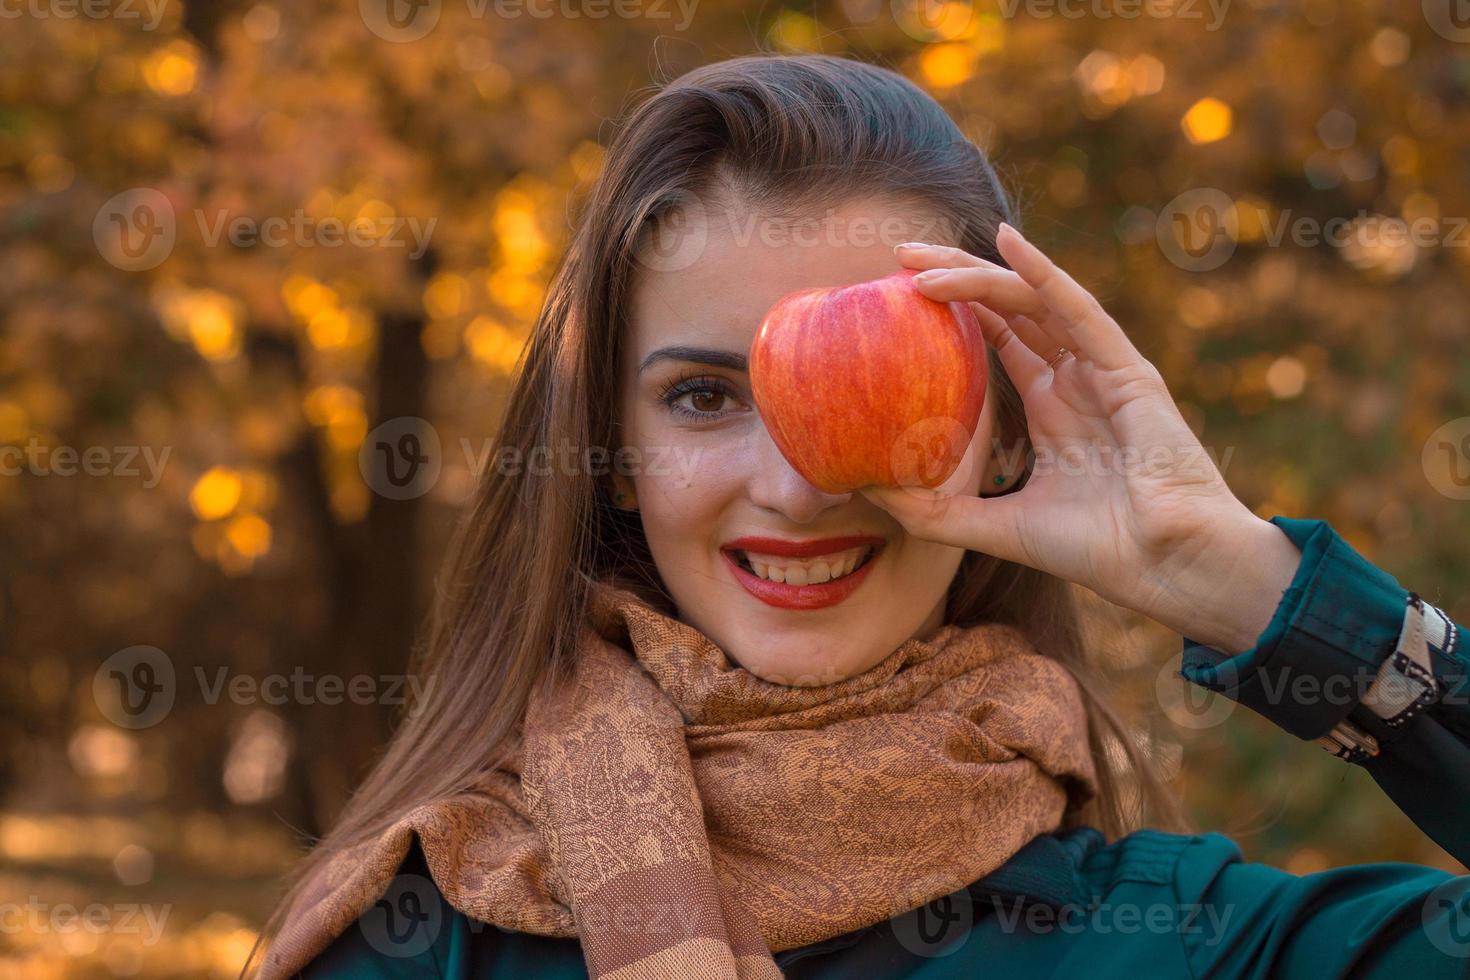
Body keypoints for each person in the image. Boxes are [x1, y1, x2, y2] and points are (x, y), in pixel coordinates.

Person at [249, 54, 1470, 979]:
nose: (795, 484)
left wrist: (1248, 585)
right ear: (611, 454)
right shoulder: (428, 927)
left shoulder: (1173, 937)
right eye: (704, 395)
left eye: (870, 402)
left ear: (1002, 431)